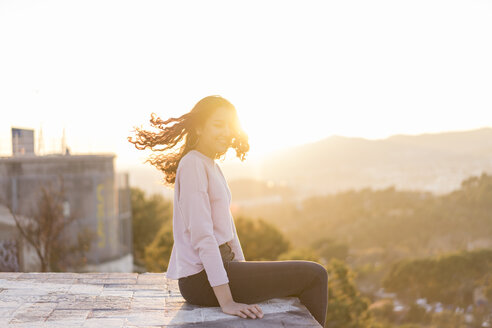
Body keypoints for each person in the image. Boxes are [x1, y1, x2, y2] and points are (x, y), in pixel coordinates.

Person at [128, 95, 328, 326]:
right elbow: (203, 235)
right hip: (201, 280)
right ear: (200, 127)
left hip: (221, 269)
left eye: (230, 126)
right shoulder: (193, 164)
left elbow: (228, 230)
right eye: (218, 124)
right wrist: (227, 302)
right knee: (315, 275)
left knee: (305, 278)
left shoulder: (211, 165)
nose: (226, 132)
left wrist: (243, 271)